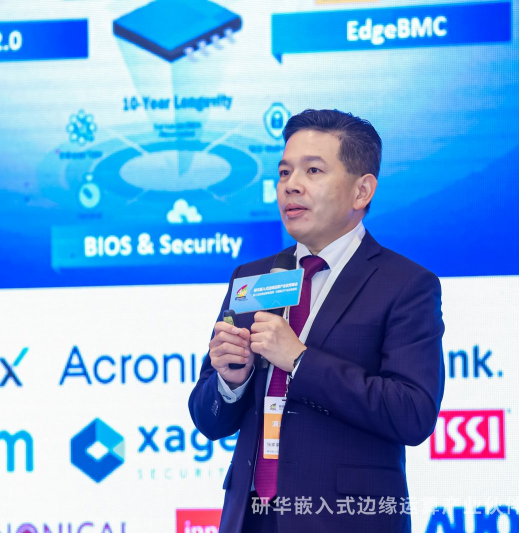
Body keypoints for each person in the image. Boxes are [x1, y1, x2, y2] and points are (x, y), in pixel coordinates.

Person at [188, 109, 445, 533]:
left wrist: (300, 360)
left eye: (313, 170)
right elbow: (208, 419)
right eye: (284, 172)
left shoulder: (405, 284)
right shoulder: (253, 278)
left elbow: (412, 414)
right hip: (251, 519)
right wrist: (230, 381)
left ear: (362, 191)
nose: (291, 185)